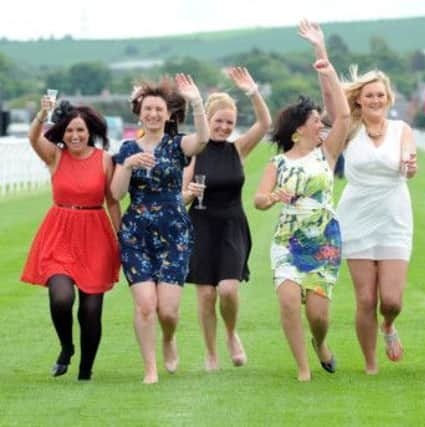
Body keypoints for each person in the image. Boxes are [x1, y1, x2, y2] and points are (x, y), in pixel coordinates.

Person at [299, 19, 417, 375]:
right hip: (357, 216)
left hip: (395, 215)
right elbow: (330, 97)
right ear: (360, 101)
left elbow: (408, 162)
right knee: (366, 298)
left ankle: (389, 325)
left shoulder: (402, 129)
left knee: (391, 300)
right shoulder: (349, 128)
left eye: (380, 95)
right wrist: (321, 52)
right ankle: (370, 365)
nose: (376, 100)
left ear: (388, 99)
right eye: (369, 96)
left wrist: (409, 167)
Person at [254, 51, 350, 381]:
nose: (320, 123)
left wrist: (330, 72)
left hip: (324, 239)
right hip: (287, 240)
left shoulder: (328, 153)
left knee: (319, 316)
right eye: (314, 120)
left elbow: (345, 118)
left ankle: (319, 343)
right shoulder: (277, 164)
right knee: (289, 302)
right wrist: (271, 197)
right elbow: (258, 200)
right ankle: (303, 367)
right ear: (299, 128)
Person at [110, 74, 209, 384]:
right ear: (139, 112)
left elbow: (202, 139)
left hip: (174, 233)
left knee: (167, 311)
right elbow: (115, 194)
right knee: (145, 307)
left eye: (159, 110)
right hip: (136, 233)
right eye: (148, 109)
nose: (153, 114)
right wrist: (127, 167)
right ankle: (149, 368)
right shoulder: (127, 148)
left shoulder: (177, 145)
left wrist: (197, 102)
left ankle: (168, 338)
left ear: (168, 115)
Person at [21, 96, 120, 381]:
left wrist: (121, 236)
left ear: (90, 132)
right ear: (62, 133)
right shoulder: (54, 156)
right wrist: (42, 113)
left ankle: (85, 371)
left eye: (80, 130)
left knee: (91, 310)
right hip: (60, 234)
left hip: (95, 236)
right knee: (61, 298)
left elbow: (112, 201)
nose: (75, 136)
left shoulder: (104, 160)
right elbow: (33, 137)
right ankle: (66, 347)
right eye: (69, 131)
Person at [182, 67, 271, 371]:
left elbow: (265, 123)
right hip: (201, 226)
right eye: (218, 121)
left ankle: (232, 334)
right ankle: (210, 353)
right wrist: (190, 193)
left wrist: (252, 91)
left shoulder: (238, 148)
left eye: (229, 122)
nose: (223, 127)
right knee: (206, 295)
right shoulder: (194, 151)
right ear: (207, 120)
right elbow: (178, 199)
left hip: (232, 225)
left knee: (228, 289)